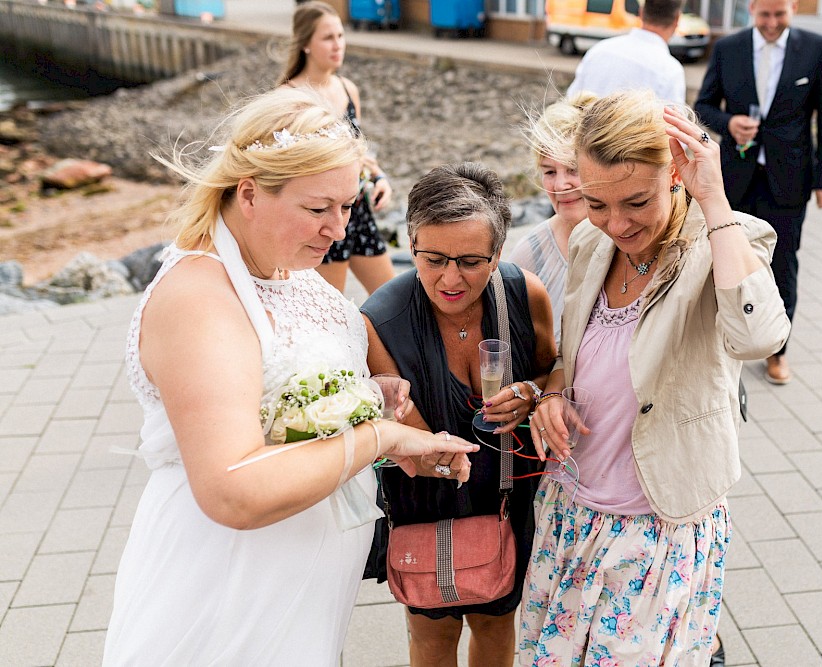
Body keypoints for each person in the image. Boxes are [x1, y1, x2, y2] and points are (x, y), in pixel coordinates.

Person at [103, 87, 478, 665]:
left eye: (348, 206)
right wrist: (381, 437)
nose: (338, 229)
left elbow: (276, 384)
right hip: (229, 580)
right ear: (249, 193)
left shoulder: (284, 267)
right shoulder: (200, 297)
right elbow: (234, 489)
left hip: (300, 580)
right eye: (316, 208)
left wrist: (362, 397)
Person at [518, 91, 790, 665]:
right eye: (597, 202)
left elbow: (760, 337)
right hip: (571, 510)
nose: (617, 223)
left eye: (636, 201)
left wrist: (713, 198)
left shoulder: (726, 240)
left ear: (675, 172)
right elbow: (574, 357)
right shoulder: (592, 242)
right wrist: (553, 394)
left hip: (655, 522)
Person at [362, 162, 558, 667]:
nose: (451, 278)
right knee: (433, 635)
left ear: (497, 254)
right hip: (426, 501)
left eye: (471, 260)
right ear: (411, 242)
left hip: (509, 493)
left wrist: (533, 394)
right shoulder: (379, 322)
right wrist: (429, 453)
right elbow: (410, 438)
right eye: (433, 259)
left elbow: (552, 371)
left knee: (497, 627)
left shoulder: (524, 293)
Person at [694, 0, 822, 385]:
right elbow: (704, 106)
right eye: (764, 15)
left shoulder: (816, 48)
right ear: (751, 10)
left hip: (789, 179)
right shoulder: (728, 48)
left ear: (793, 7)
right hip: (736, 179)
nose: (772, 23)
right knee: (723, 261)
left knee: (782, 266)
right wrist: (729, 122)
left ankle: (777, 351)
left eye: (780, 14)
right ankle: (720, 345)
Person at [278, 1, 396, 295]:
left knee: (394, 300)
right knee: (333, 314)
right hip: (323, 219)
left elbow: (358, 154)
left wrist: (380, 179)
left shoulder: (347, 88)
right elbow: (284, 170)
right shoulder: (288, 98)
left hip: (358, 209)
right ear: (305, 43)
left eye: (340, 36)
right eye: (328, 37)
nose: (337, 45)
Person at [507, 91, 595, 346]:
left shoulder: (630, 241)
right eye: (549, 171)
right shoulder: (530, 254)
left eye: (573, 169)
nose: (560, 184)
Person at [566, 0, 687, 105]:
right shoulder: (670, 71)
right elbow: (673, 127)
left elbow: (571, 103)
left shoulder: (599, 50)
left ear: (641, 12)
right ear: (677, 19)